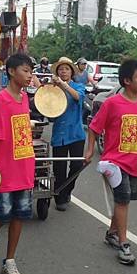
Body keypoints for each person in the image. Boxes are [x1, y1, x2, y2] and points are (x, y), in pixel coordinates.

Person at [85, 59, 137, 265]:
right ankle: (124, 244)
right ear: (126, 81)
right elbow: (94, 128)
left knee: (125, 200)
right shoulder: (112, 103)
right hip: (114, 163)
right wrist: (89, 151)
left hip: (136, 163)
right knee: (123, 200)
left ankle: (112, 233)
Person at [0, 53, 35, 274]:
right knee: (3, 215)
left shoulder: (24, 99)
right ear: (12, 72)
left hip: (24, 167)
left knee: (20, 215)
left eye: (31, 71)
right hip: (4, 170)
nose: (29, 75)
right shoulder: (1, 100)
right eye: (25, 70)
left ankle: (10, 260)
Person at [49, 57, 87, 211]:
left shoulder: (78, 86)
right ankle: (60, 198)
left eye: (66, 69)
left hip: (76, 133)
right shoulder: (52, 89)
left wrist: (63, 85)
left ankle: (66, 191)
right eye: (60, 69)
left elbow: (78, 97)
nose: (63, 71)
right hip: (59, 133)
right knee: (59, 168)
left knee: (77, 165)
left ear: (71, 72)